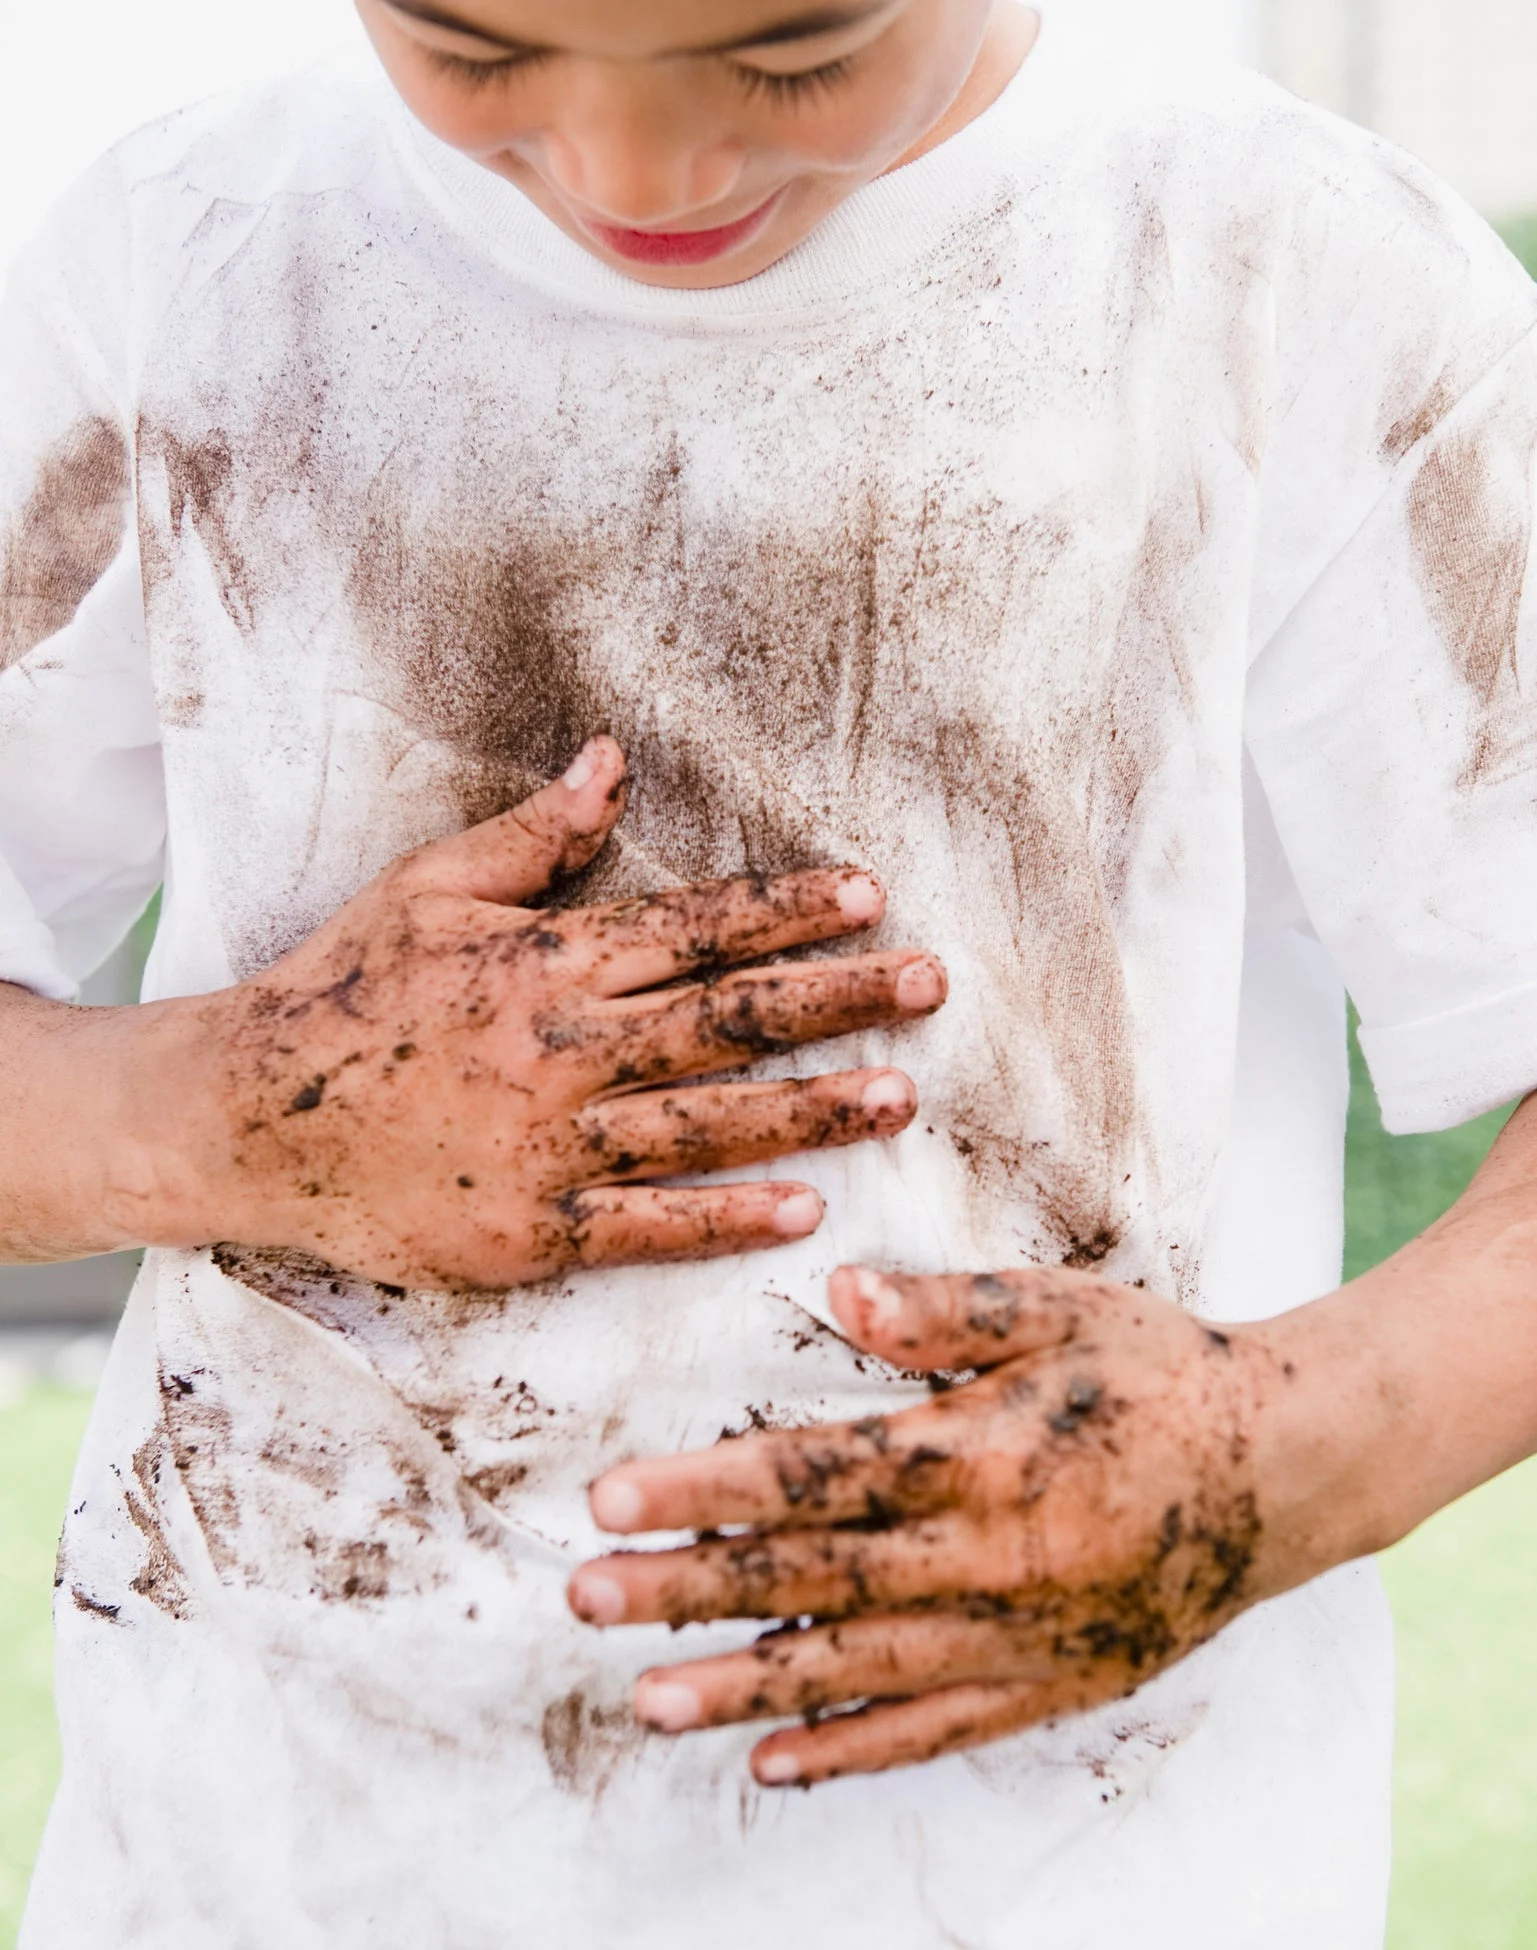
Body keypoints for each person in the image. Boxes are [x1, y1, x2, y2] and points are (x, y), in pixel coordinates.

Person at [2, 0, 1536, 1941]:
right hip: (266, 1871)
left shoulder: (1298, 279)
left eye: (794, 58)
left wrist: (1303, 1444)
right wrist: (219, 1112)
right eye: (476, 52)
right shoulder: (186, 254)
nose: (634, 173)